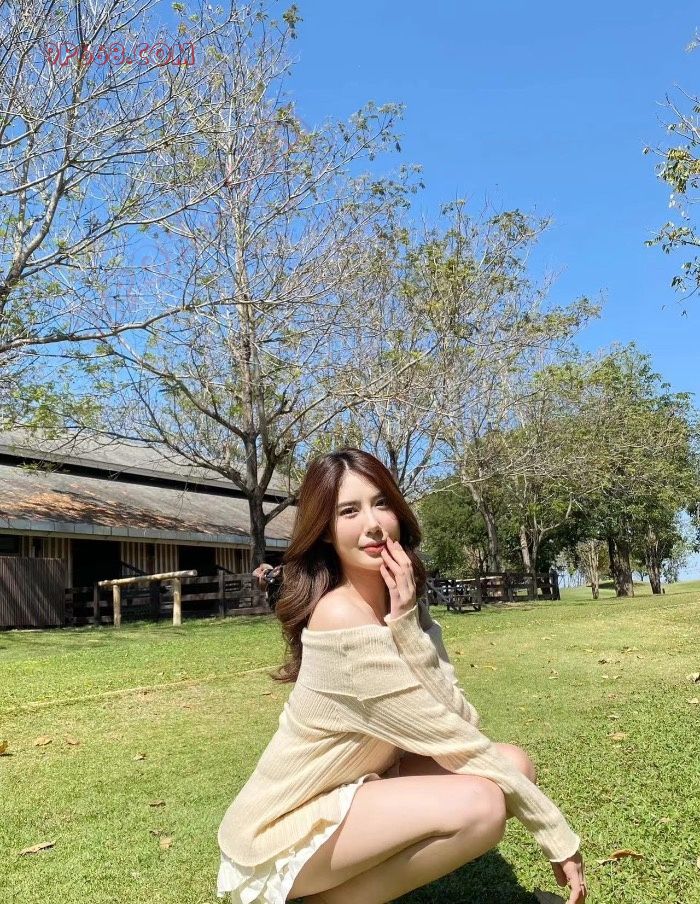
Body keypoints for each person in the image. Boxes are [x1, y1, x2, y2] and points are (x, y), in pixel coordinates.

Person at [217, 448, 586, 904]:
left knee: (514, 765)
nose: (373, 524)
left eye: (381, 504)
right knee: (482, 806)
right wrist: (554, 832)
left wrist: (408, 622)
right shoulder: (339, 618)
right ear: (326, 531)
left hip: (358, 783)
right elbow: (450, 736)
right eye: (349, 511)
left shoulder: (402, 604)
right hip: (284, 827)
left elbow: (461, 718)